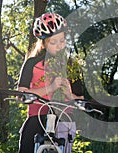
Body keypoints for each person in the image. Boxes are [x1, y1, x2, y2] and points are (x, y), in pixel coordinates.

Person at [17, 13, 83, 153]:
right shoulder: (32, 63)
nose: (59, 46)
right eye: (53, 42)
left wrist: (69, 94)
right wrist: (50, 88)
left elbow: (81, 99)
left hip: (64, 118)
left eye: (62, 41)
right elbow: (21, 94)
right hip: (37, 117)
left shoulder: (71, 66)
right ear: (44, 43)